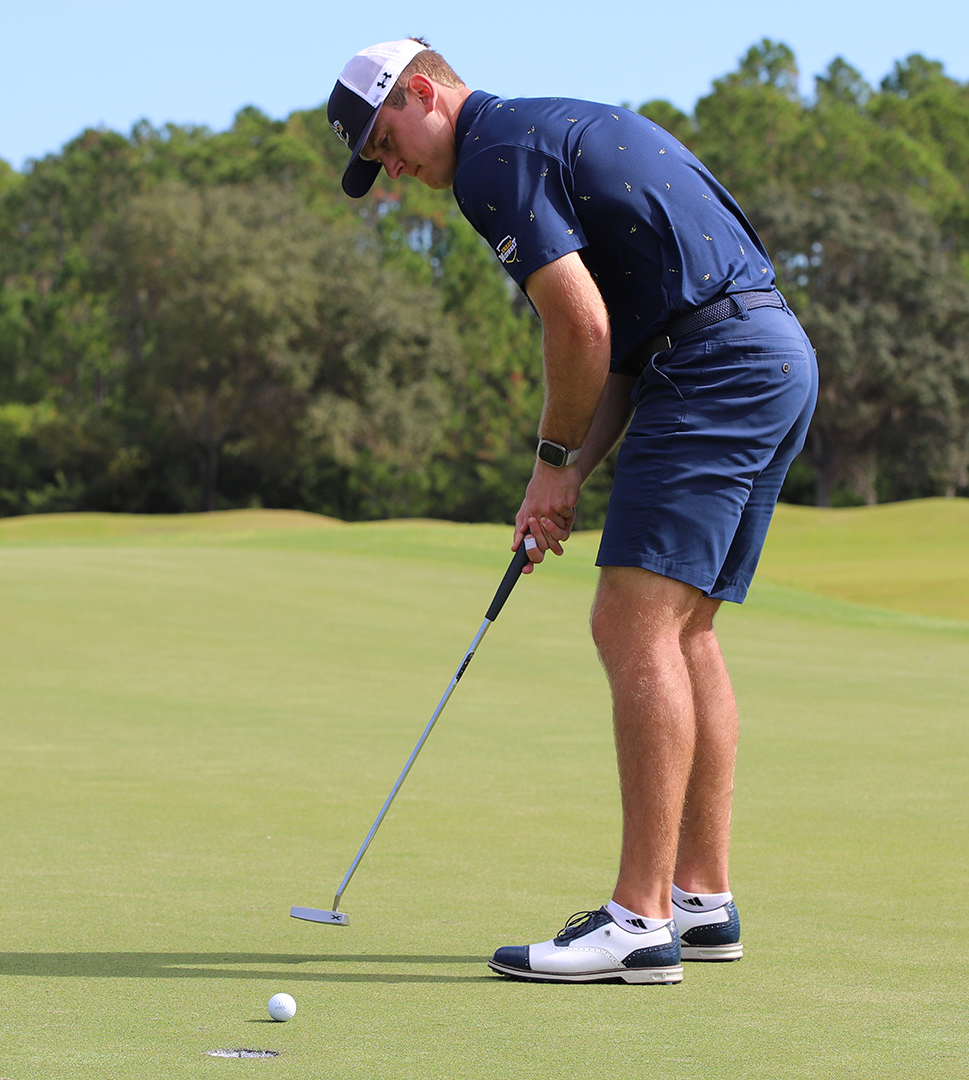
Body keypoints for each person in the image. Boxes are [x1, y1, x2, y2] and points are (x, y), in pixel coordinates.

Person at [326, 39, 817, 985]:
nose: (392, 170)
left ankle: (638, 920)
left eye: (386, 142)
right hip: (767, 353)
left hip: (711, 369)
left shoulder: (490, 158)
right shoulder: (552, 126)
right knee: (684, 632)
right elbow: (623, 346)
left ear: (425, 93)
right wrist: (567, 475)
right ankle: (700, 898)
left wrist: (550, 460)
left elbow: (579, 325)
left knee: (629, 623)